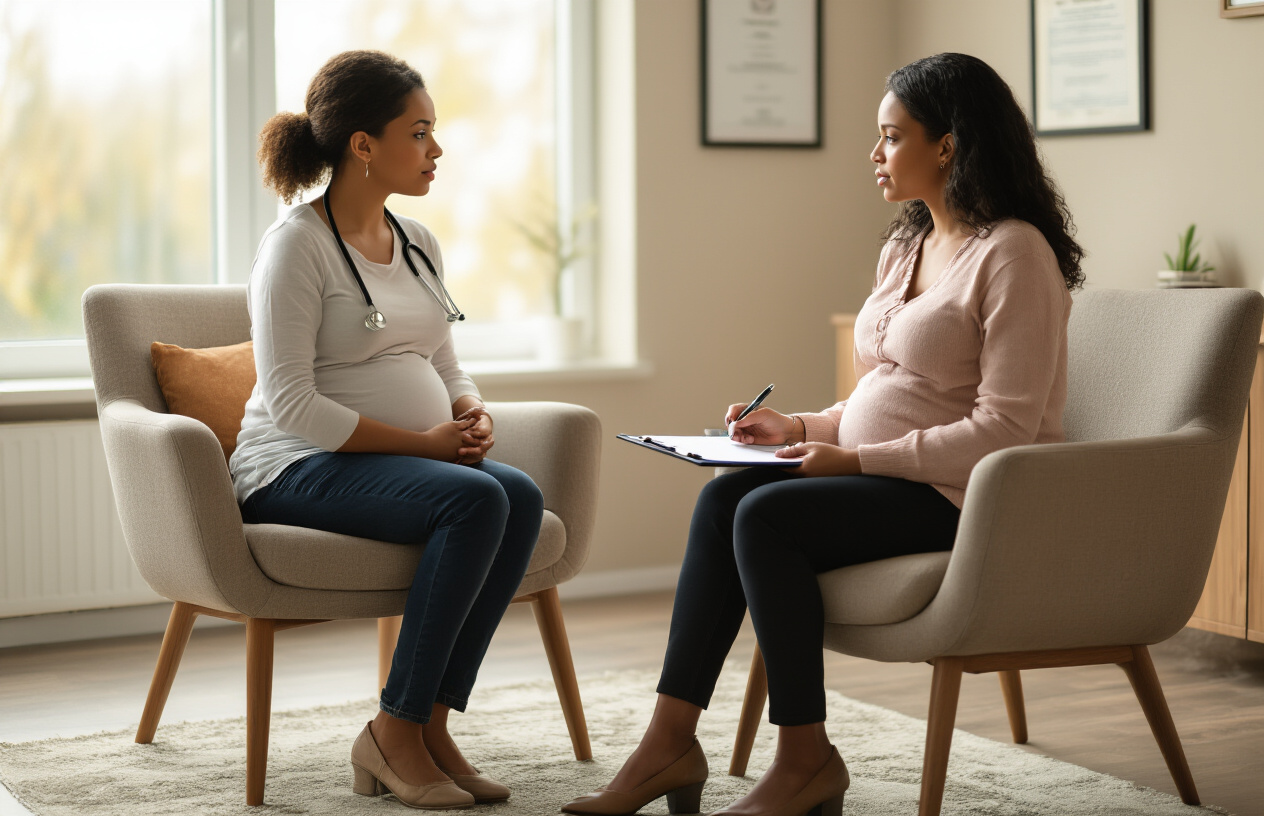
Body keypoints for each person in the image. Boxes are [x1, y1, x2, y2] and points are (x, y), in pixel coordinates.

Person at [561, 52, 1083, 816]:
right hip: (887, 474)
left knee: (765, 515)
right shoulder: (905, 248)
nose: (875, 154)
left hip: (966, 498)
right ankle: (669, 742)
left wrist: (855, 457)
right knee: (724, 501)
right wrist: (799, 427)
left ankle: (805, 760)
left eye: (892, 136)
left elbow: (1003, 429)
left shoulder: (1014, 256)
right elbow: (886, 393)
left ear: (948, 144)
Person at [229, 50, 543, 810]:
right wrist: (427, 446)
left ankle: (429, 725)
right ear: (363, 145)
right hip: (293, 468)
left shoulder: (417, 242)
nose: (437, 150)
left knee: (521, 497)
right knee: (477, 501)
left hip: (401, 462)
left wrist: (467, 411)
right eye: (420, 132)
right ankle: (391, 731)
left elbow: (442, 357)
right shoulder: (296, 247)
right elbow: (293, 403)